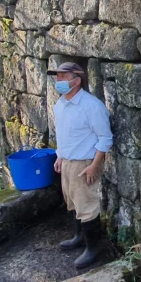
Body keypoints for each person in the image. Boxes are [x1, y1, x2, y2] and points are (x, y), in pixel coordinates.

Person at [46, 62, 112, 269]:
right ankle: (79, 237)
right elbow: (63, 135)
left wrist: (94, 166)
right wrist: (59, 156)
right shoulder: (60, 105)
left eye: (63, 78)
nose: (58, 82)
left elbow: (105, 138)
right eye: (57, 77)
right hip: (67, 161)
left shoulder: (92, 106)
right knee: (73, 201)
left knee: (87, 205)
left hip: (85, 163)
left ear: (77, 80)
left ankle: (93, 248)